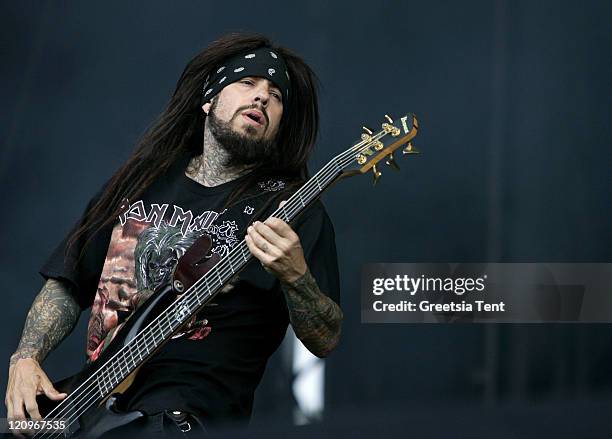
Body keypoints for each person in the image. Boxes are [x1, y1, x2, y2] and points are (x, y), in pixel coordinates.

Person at [5, 33, 342, 437]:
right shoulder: (142, 180)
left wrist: (296, 276)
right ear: (209, 99)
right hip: (90, 406)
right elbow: (68, 279)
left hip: (185, 417)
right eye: (247, 82)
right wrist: (25, 359)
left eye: (276, 95)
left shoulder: (289, 210)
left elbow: (326, 336)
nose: (262, 98)